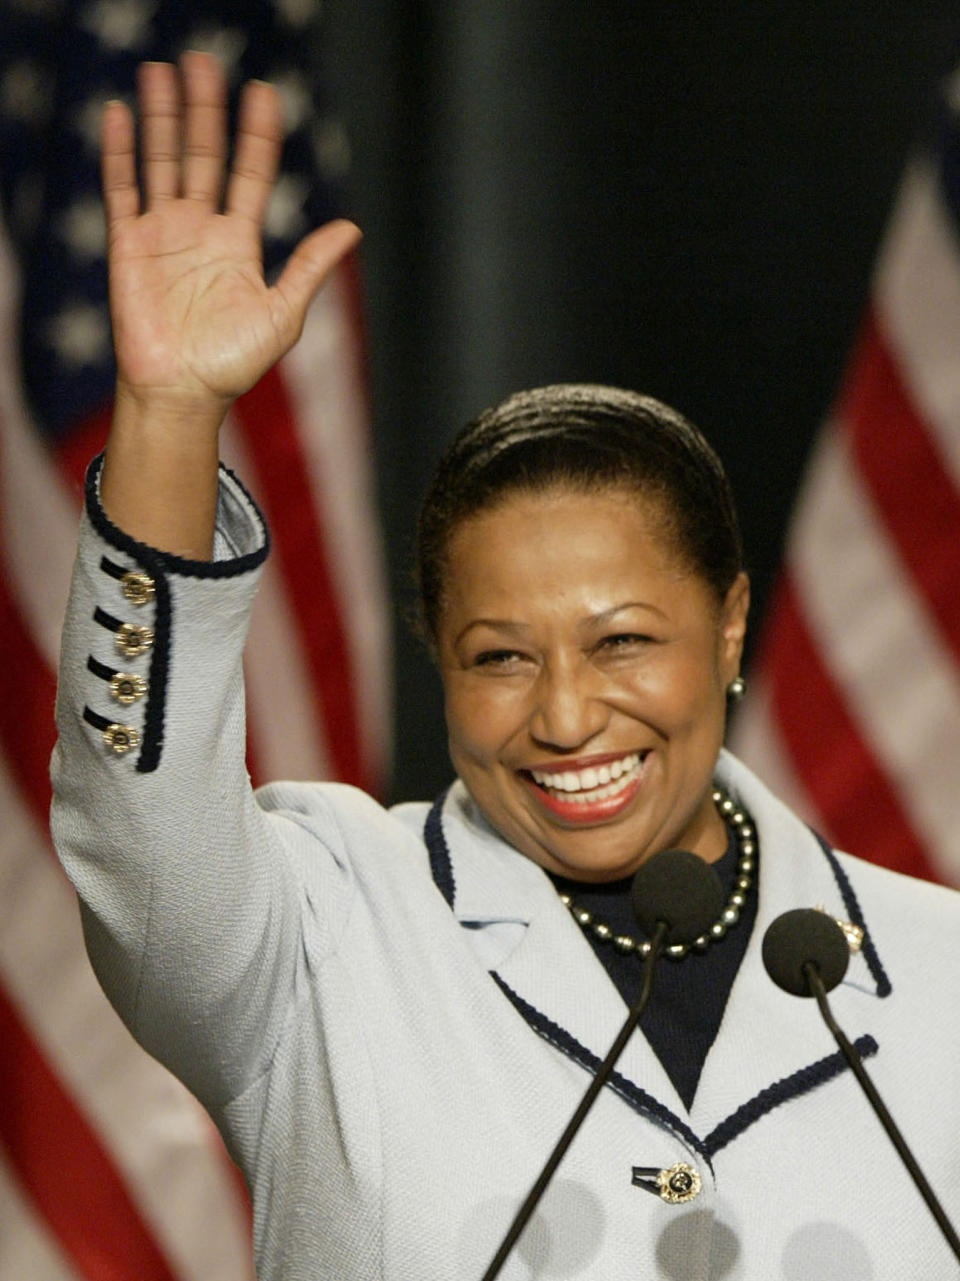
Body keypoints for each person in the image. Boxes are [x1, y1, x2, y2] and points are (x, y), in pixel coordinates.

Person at [50, 53, 960, 1281]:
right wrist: (167, 418)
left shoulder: (939, 975)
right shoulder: (329, 934)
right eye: (501, 658)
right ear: (437, 653)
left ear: (730, 627)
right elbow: (139, 826)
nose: (570, 715)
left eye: (624, 641)